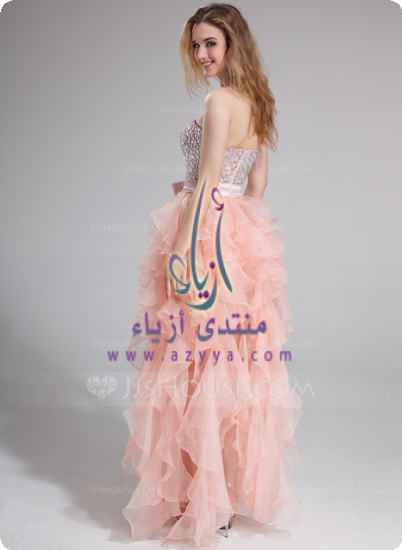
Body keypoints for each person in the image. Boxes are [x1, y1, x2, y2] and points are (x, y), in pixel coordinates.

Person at [121, 3, 302, 547]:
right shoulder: (258, 101)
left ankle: (205, 499)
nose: (202, 54)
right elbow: (258, 183)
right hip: (238, 234)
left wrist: (182, 248)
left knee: (192, 358)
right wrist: (246, 241)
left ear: (232, 44)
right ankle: (214, 494)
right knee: (227, 360)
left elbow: (204, 181)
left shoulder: (219, 101)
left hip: (203, 230)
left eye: (211, 44)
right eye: (196, 45)